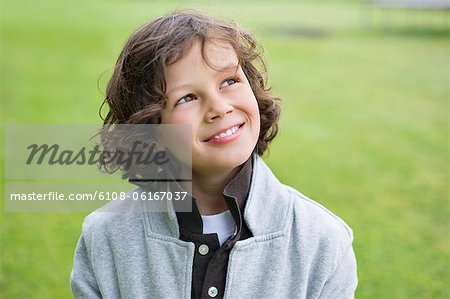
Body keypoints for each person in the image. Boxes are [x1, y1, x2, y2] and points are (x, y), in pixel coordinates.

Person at [70, 10, 357, 298]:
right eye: (187, 98)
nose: (219, 107)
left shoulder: (323, 240)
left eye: (229, 81)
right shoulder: (105, 237)